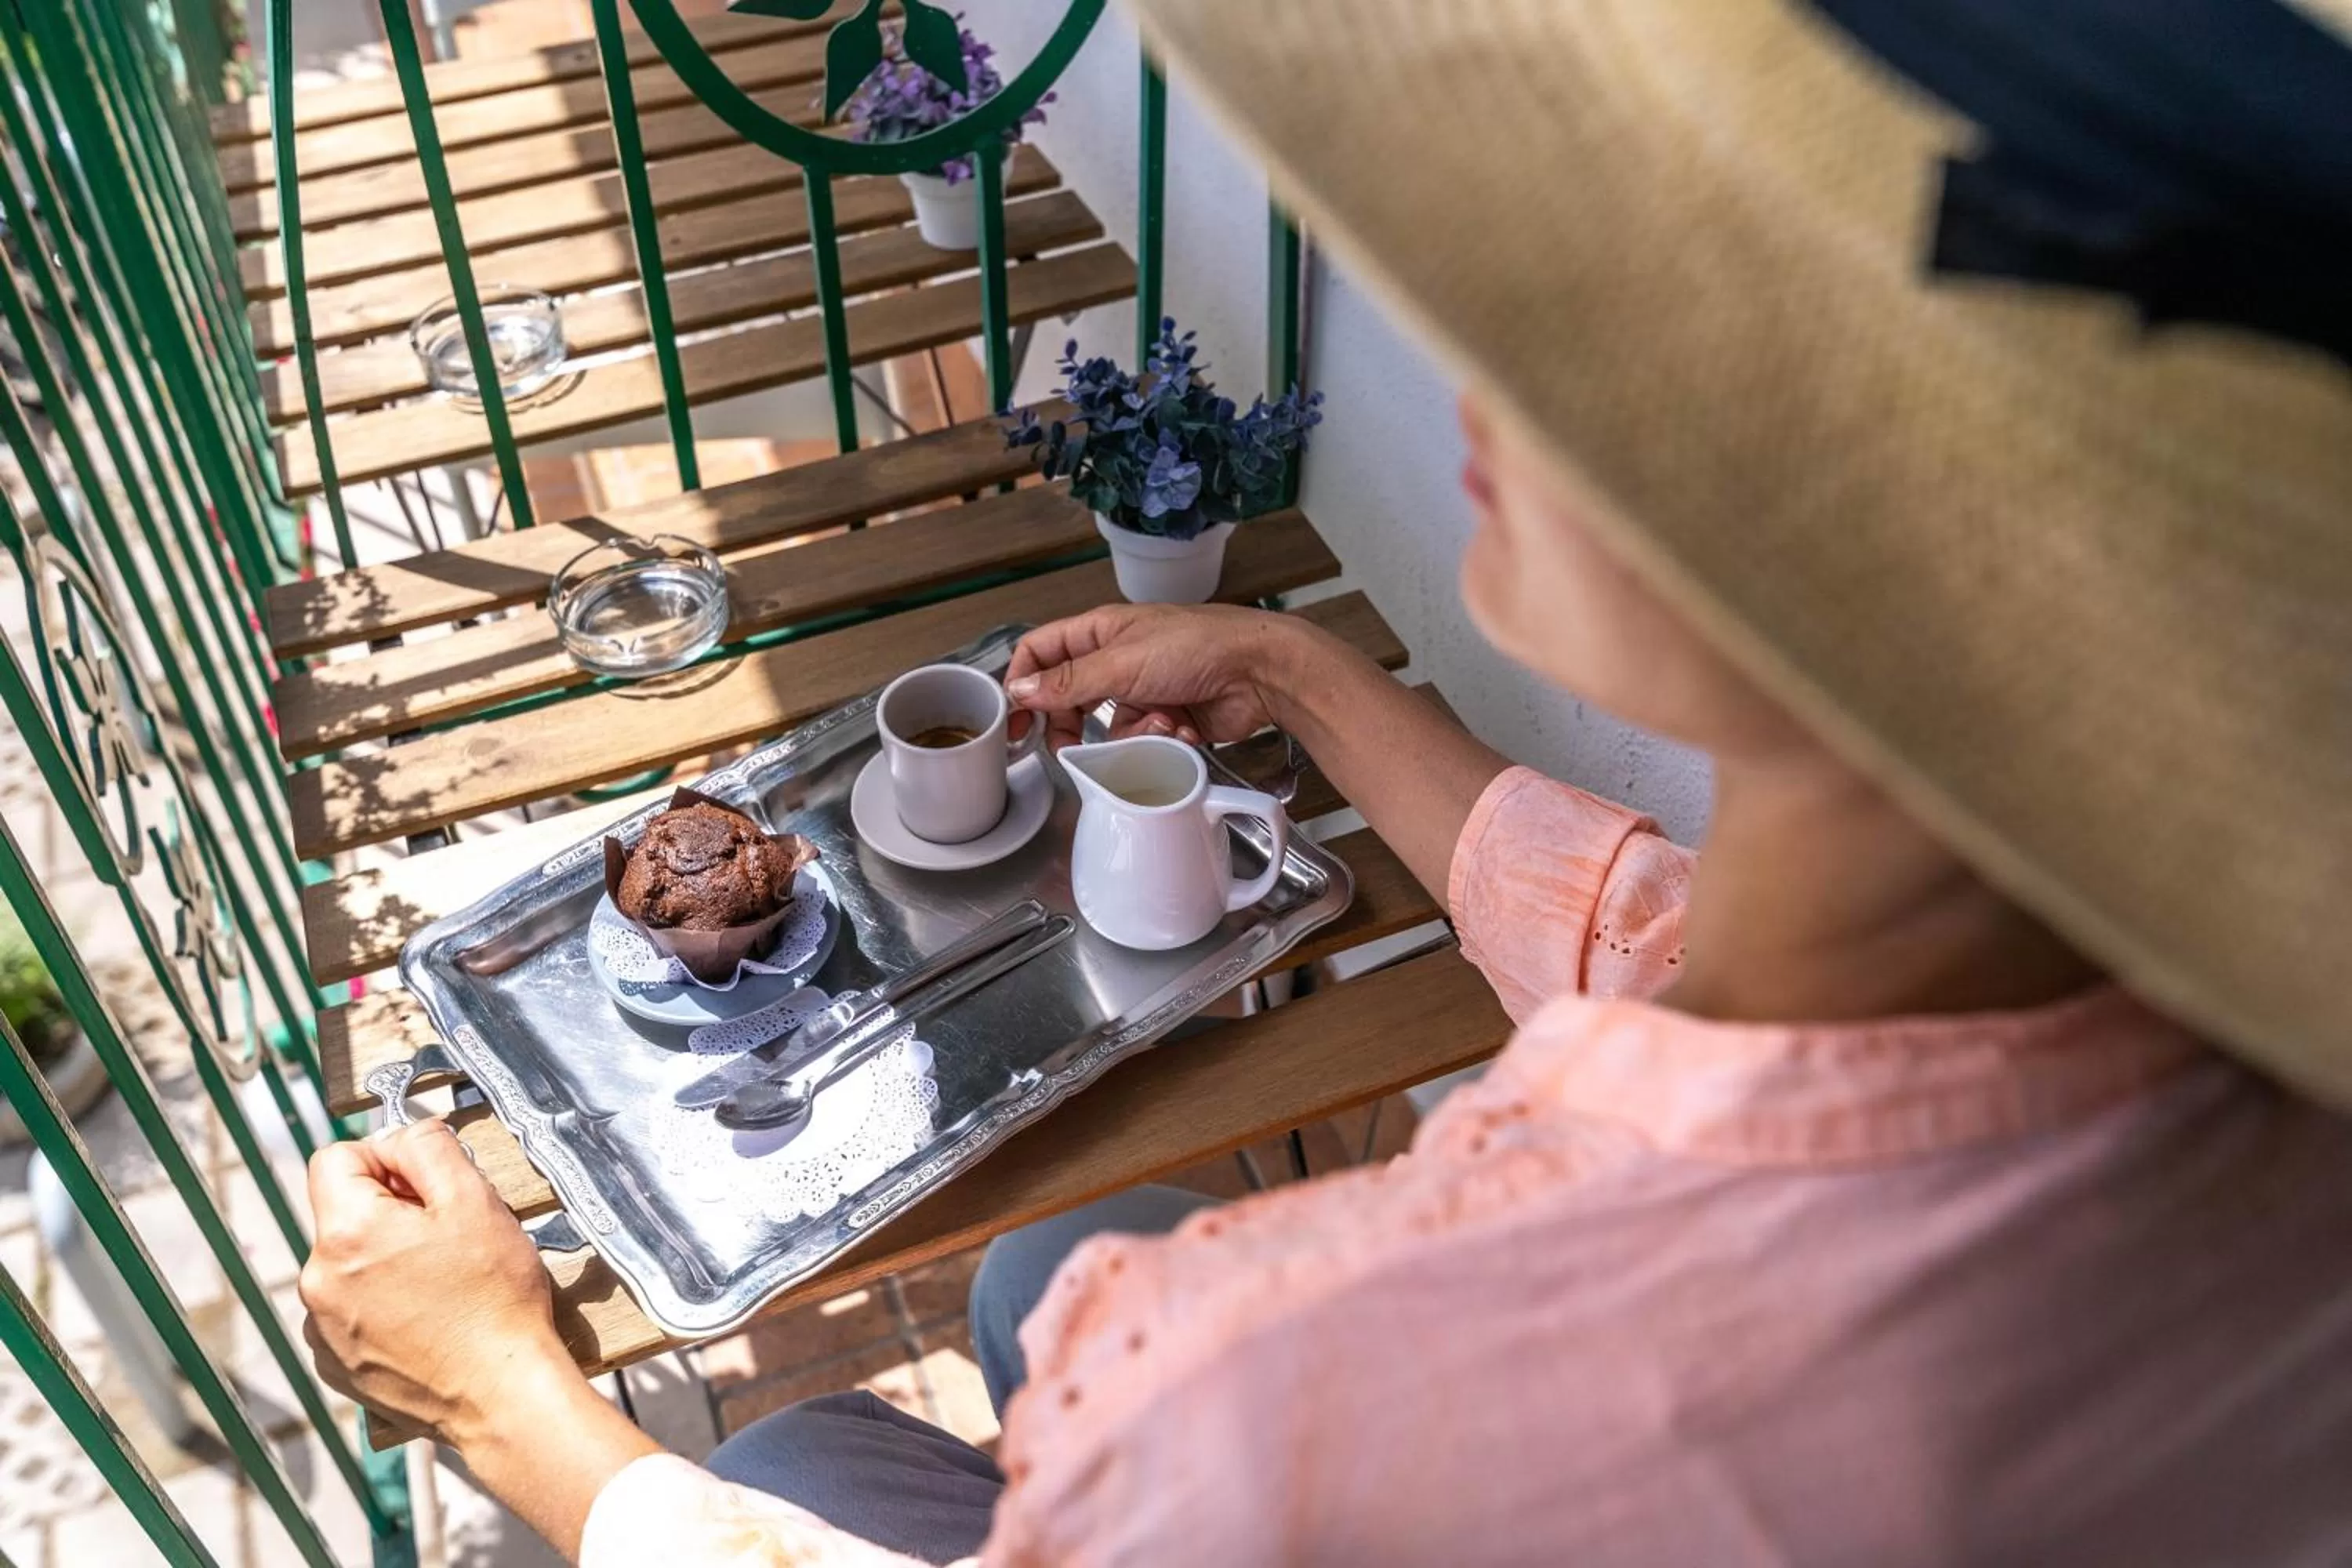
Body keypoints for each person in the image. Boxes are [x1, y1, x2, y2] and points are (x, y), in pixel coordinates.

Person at [298, 0, 2352, 1563]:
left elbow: (1254, 1428)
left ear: (1870, 573)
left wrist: (519, 1415)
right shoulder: (2225, 1084)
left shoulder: (1292, 1388)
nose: (1475, 365)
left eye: (1619, 346)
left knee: (786, 1459)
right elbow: (1658, 943)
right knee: (1036, 1282)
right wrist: (1296, 666)